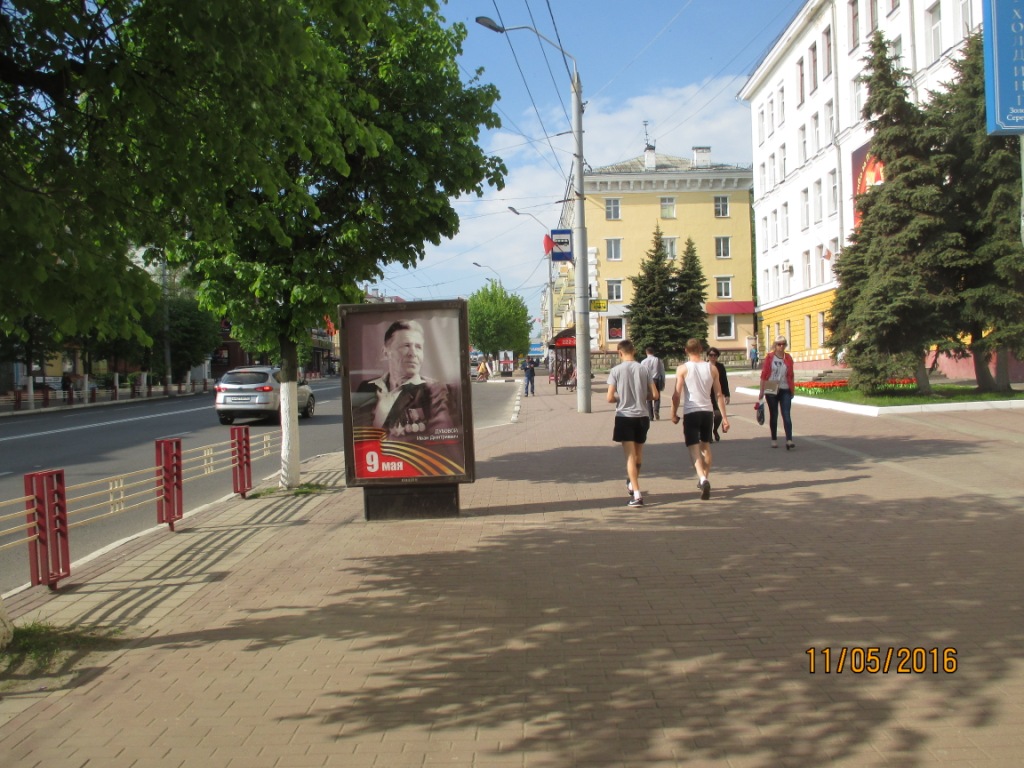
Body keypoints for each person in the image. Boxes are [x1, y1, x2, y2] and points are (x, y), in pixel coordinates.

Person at [353, 319, 455, 440]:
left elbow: (442, 438)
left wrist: (385, 415)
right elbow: (357, 436)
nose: (413, 353)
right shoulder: (366, 387)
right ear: (385, 353)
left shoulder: (434, 390)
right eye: (406, 346)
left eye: (418, 347)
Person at [670, 338, 729, 500]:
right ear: (701, 349)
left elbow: (676, 395)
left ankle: (702, 479)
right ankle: (705, 478)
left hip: (691, 412)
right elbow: (719, 394)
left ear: (686, 350)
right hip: (707, 412)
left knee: (693, 447)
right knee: (706, 446)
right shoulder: (712, 368)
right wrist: (724, 418)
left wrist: (673, 414)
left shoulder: (682, 369)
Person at [607, 340, 659, 508]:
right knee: (638, 454)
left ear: (619, 353)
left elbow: (609, 398)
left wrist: (621, 398)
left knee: (629, 456)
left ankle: (637, 495)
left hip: (624, 416)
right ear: (634, 351)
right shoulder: (644, 369)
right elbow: (655, 395)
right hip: (642, 416)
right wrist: (642, 397)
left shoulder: (615, 370)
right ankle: (632, 481)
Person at [758, 335, 796, 450]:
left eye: (783, 344)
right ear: (775, 345)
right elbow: (764, 375)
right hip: (771, 386)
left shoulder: (788, 358)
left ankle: (789, 440)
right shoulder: (770, 357)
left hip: (785, 388)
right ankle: (774, 439)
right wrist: (761, 391)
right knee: (774, 414)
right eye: (779, 344)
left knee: (786, 414)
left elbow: (791, 375)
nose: (781, 346)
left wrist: (792, 389)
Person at [706, 347, 730, 442]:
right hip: (706, 394)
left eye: (715, 355)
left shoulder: (720, 367)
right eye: (711, 355)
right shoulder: (704, 366)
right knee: (707, 415)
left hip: (717, 394)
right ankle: (708, 435)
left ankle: (715, 430)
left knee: (718, 415)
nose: (713, 357)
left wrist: (727, 394)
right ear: (707, 356)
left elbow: (724, 381)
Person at [639, 345, 666, 420]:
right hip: (656, 380)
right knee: (657, 396)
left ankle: (650, 416)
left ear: (646, 352)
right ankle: (656, 410)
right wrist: (663, 381)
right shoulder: (658, 360)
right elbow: (662, 371)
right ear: (653, 352)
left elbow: (641, 372)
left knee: (648, 398)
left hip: (647, 380)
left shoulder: (643, 362)